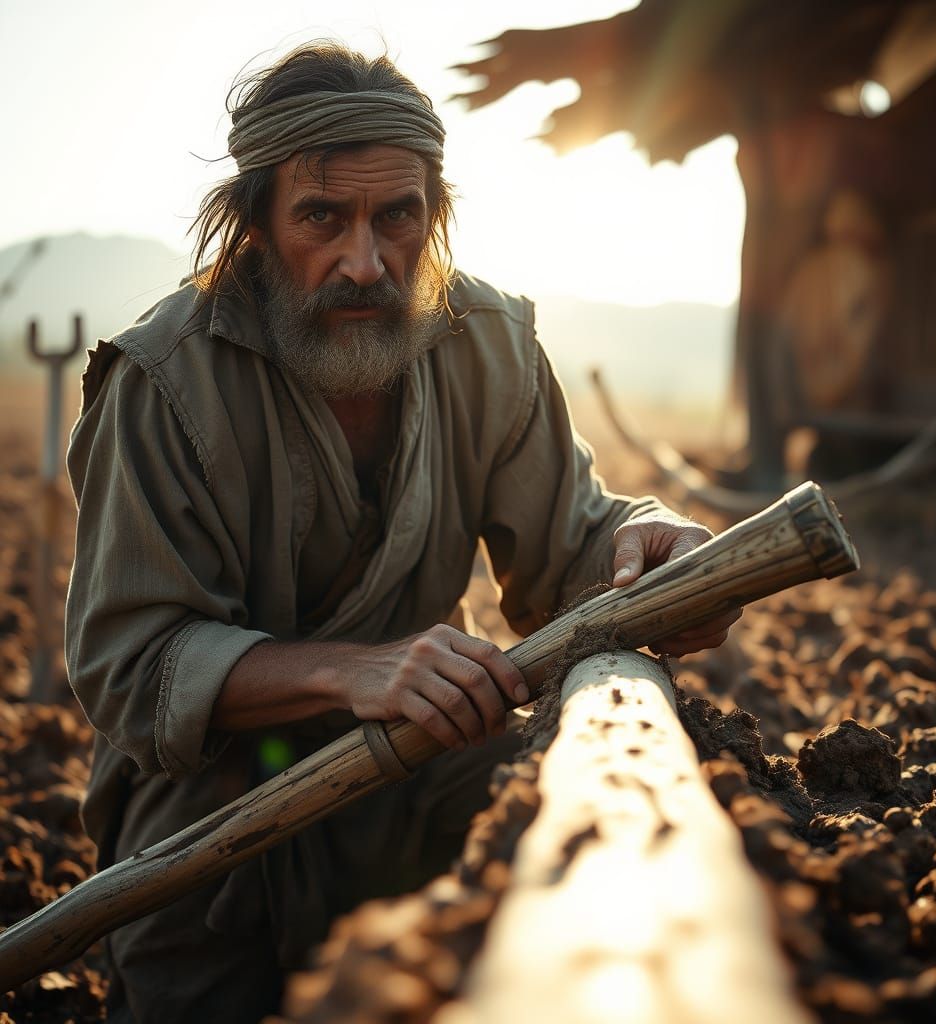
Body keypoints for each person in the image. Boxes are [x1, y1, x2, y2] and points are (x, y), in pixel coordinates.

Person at [65, 41, 739, 1023]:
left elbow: (573, 548)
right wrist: (351, 670)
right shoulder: (165, 384)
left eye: (397, 216)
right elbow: (130, 666)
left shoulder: (490, 341)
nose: (366, 261)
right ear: (255, 224)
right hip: (211, 824)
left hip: (426, 769)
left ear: (434, 213)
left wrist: (651, 542)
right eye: (322, 219)